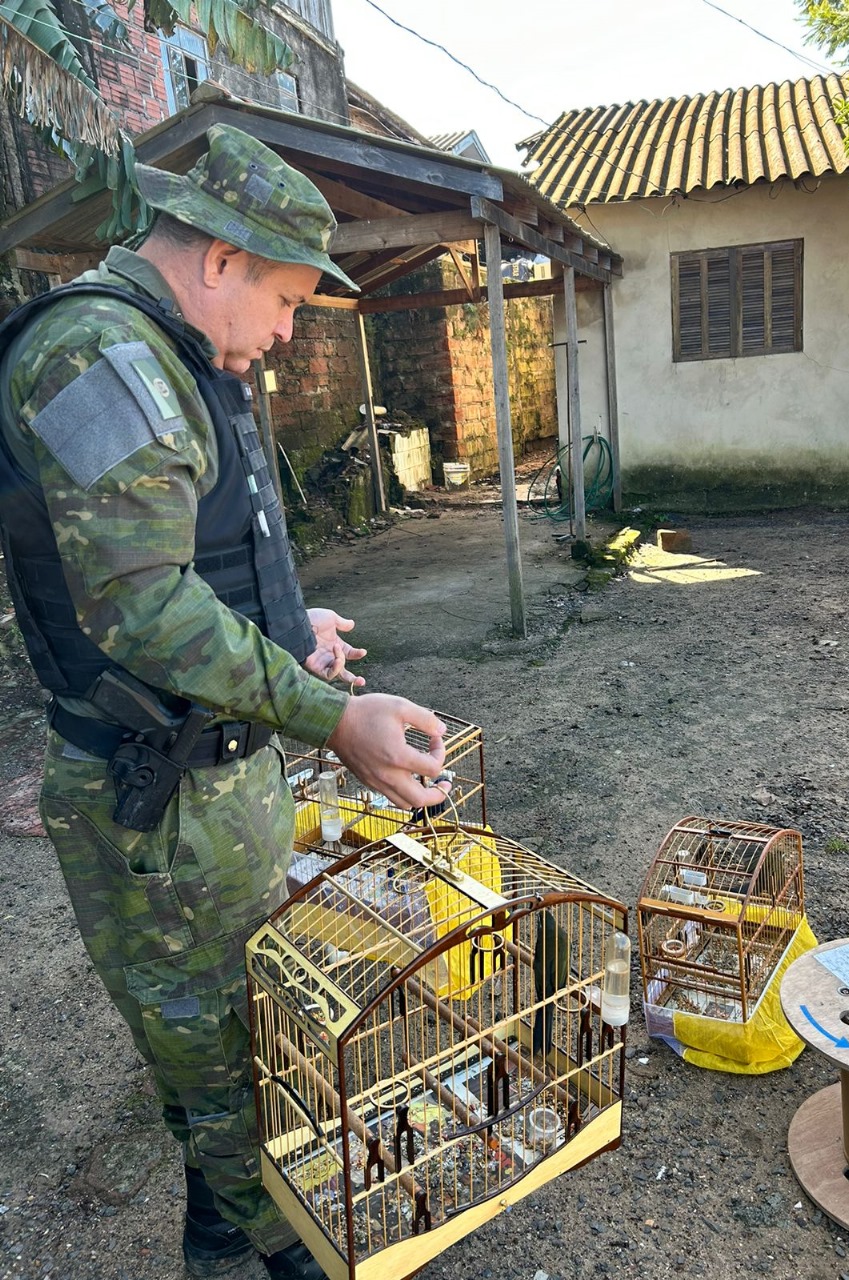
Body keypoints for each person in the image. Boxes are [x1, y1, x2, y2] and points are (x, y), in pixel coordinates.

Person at [0, 123, 450, 1280]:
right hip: (157, 807)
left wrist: (292, 636)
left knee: (249, 1035)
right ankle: (286, 1251)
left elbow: (184, 561)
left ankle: (223, 1235)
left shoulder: (178, 357)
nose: (292, 330)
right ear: (218, 261)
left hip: (216, 782)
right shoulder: (96, 355)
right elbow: (142, 608)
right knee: (229, 1070)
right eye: (290, 299)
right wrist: (325, 710)